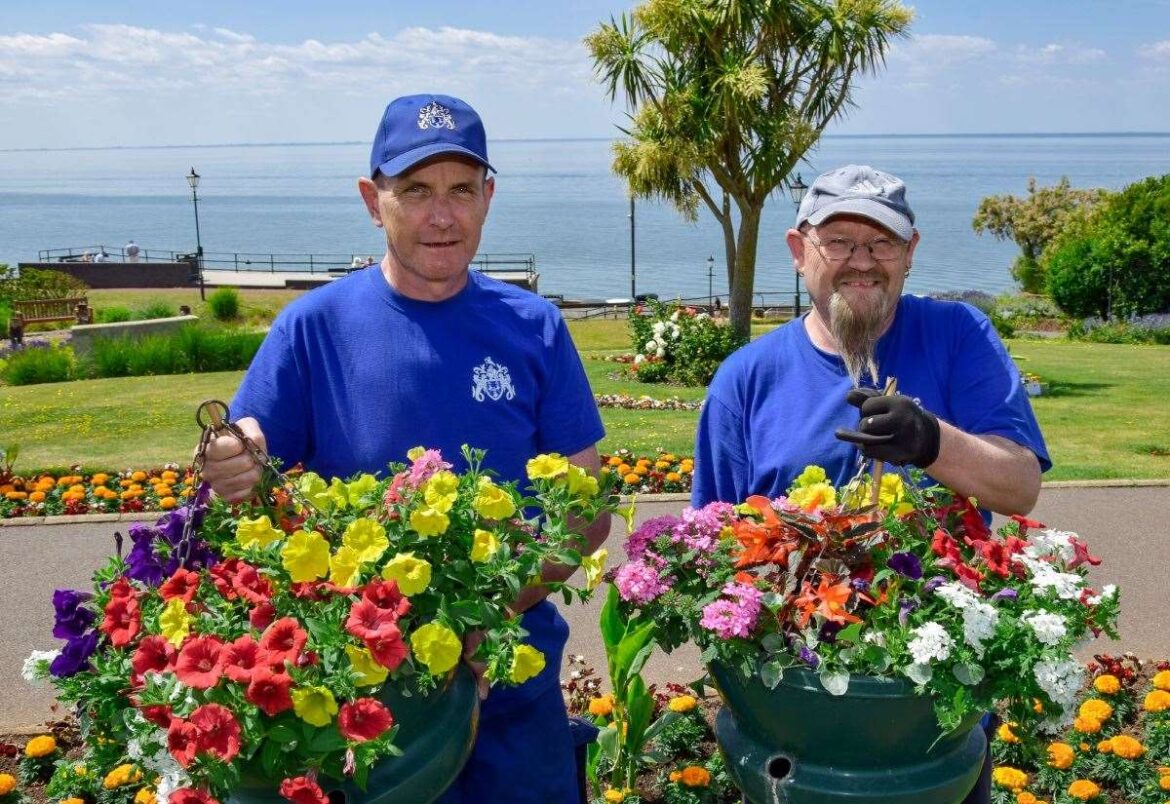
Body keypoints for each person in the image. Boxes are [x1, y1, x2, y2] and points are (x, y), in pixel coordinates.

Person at [200, 93, 608, 804]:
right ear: (373, 200)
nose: (442, 216)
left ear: (488, 197)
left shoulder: (534, 326)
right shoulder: (312, 329)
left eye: (461, 190)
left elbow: (585, 509)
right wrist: (232, 464)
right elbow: (244, 484)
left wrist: (483, 619)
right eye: (416, 191)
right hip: (374, 715)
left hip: (513, 694)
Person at [692, 165, 1050, 804]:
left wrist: (930, 441)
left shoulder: (958, 336)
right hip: (794, 719)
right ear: (799, 249)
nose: (862, 261)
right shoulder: (745, 380)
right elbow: (712, 551)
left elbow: (1020, 485)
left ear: (910, 253)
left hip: (929, 724)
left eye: (882, 242)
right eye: (839, 242)